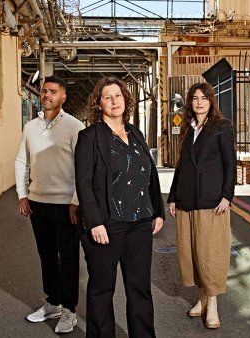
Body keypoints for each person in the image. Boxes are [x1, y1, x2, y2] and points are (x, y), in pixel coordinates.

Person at [75, 77, 165, 338]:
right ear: (99, 103)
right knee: (102, 288)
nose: (114, 101)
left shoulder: (135, 132)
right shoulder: (89, 137)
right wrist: (94, 222)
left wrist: (156, 210)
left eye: (118, 96)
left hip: (140, 222)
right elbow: (84, 183)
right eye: (107, 97)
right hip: (107, 223)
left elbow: (148, 173)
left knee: (140, 287)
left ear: (126, 99)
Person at [15, 76, 85, 334]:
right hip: (37, 203)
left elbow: (82, 168)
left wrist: (77, 201)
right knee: (46, 257)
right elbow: (22, 161)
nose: (47, 95)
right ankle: (53, 302)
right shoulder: (30, 126)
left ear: (63, 97)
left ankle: (70, 310)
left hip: (66, 205)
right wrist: (23, 194)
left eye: (53, 92)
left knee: (68, 259)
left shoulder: (75, 126)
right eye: (44, 91)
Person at [166, 82, 235, 329]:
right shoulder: (187, 128)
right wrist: (172, 196)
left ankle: (213, 304)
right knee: (192, 253)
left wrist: (227, 196)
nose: (199, 102)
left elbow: (230, 164)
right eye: (195, 98)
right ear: (190, 102)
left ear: (211, 100)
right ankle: (202, 298)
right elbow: (181, 166)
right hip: (187, 200)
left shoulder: (222, 127)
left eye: (204, 97)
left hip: (211, 200)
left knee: (210, 253)